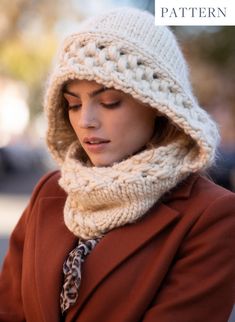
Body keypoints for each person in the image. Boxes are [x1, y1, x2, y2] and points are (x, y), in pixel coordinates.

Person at [0, 7, 234, 322]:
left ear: (158, 106)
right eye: (73, 104)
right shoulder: (49, 193)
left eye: (109, 102)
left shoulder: (213, 215)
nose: (85, 121)